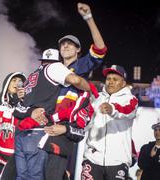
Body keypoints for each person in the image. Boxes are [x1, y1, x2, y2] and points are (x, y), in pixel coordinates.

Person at [43, 2, 107, 179]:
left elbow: (100, 48)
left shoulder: (82, 64)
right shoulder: (52, 68)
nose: (65, 46)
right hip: (44, 124)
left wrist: (88, 18)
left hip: (64, 128)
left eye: (70, 44)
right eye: (63, 44)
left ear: (78, 50)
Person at [12, 48, 95, 180]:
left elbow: (18, 108)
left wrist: (30, 111)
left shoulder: (32, 76)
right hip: (38, 131)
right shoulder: (55, 67)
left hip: (21, 133)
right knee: (35, 178)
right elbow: (75, 80)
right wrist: (90, 88)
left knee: (21, 177)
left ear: (42, 61)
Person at [81, 65, 139, 180]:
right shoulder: (96, 98)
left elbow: (128, 111)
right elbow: (85, 123)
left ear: (123, 83)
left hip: (118, 161)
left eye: (115, 79)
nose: (110, 82)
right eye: (108, 79)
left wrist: (112, 109)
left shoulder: (130, 99)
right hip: (92, 158)